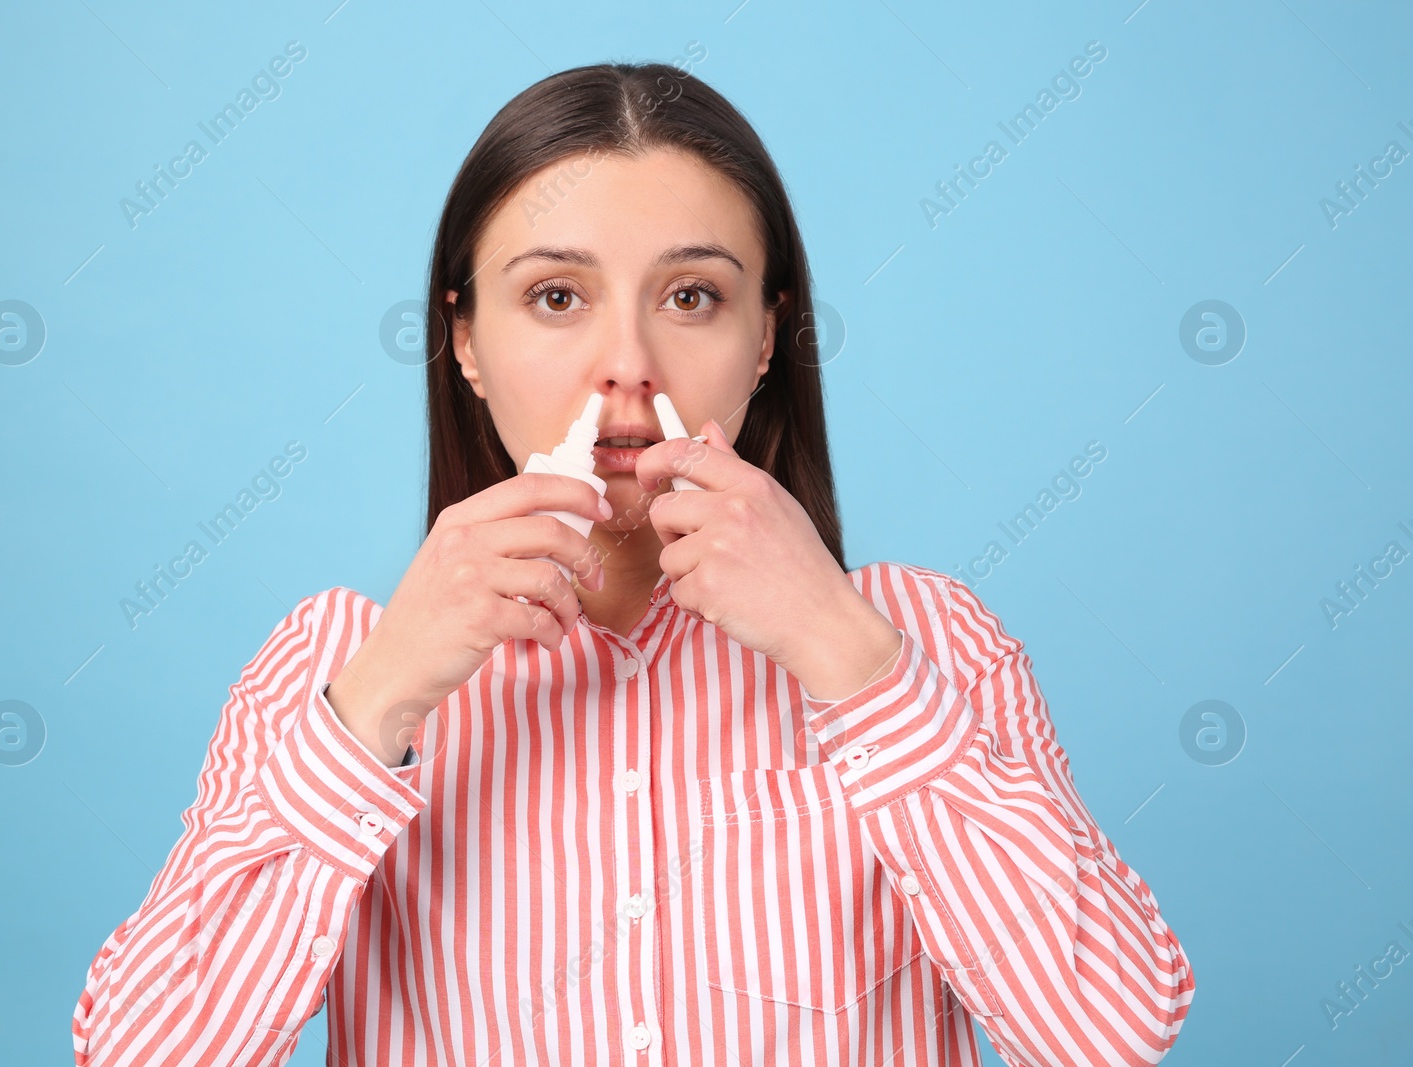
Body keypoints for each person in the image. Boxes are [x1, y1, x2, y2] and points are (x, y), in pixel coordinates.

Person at [73, 60, 1194, 1066]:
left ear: (765, 336)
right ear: (464, 338)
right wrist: (376, 704)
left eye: (691, 296)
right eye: (556, 297)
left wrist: (848, 658)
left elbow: (1107, 1026)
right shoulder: (335, 665)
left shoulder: (927, 643)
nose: (625, 363)